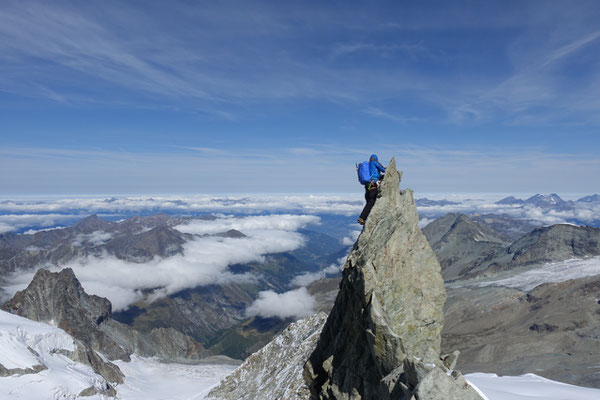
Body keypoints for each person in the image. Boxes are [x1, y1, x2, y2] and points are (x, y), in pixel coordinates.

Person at [357, 154, 386, 225]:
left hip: (367, 186)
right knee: (371, 202)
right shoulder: (374, 163)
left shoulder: (368, 166)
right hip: (372, 185)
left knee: (369, 202)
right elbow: (383, 170)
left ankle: (364, 218)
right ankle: (362, 218)